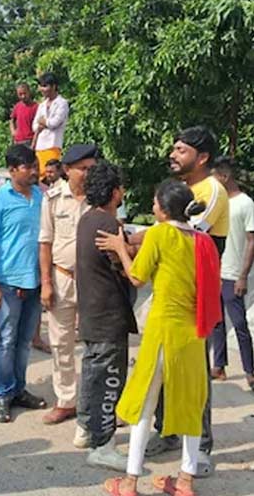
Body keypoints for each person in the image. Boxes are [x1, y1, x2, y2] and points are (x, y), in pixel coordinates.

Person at [96, 180, 219, 496]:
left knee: (144, 405)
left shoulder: (160, 233)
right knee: (192, 405)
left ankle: (129, 482)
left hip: (163, 331)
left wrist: (121, 249)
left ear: (163, 209)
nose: (152, 207)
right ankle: (185, 481)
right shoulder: (202, 241)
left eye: (154, 203)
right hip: (194, 335)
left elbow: (137, 276)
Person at [141, 126, 227, 476]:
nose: (173, 154)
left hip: (197, 297)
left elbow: (184, 234)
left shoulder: (211, 192)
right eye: (173, 148)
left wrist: (133, 244)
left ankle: (201, 446)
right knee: (164, 363)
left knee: (195, 375)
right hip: (170, 294)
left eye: (181, 149)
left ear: (201, 157)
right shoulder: (182, 191)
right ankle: (169, 431)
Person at [0, 143, 48, 423]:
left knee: (24, 342)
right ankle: (3, 395)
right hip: (8, 283)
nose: (34, 171)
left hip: (35, 282)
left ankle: (19, 390)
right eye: (28, 167)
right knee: (6, 341)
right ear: (12, 170)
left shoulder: (41, 198)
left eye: (35, 166)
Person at [75, 161, 137, 471]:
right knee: (109, 380)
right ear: (114, 192)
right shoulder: (110, 226)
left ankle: (88, 429)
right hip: (107, 315)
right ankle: (104, 444)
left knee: (92, 374)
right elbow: (131, 271)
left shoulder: (87, 218)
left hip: (91, 312)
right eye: (121, 187)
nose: (123, 192)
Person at [38, 145, 97, 436]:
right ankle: (66, 400)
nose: (87, 174)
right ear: (67, 169)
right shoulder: (52, 198)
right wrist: (46, 283)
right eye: (82, 168)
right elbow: (44, 243)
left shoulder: (101, 197)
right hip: (61, 278)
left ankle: (93, 401)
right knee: (61, 342)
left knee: (95, 344)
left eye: (91, 168)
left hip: (95, 281)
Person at [211, 156, 254, 390]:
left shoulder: (245, 204)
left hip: (232, 273)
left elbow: (251, 241)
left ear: (225, 177)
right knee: (216, 322)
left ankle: (250, 370)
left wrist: (242, 275)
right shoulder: (218, 203)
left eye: (215, 177)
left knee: (238, 324)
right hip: (215, 272)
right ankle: (219, 366)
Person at [32, 73, 69, 173]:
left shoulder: (62, 103)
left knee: (50, 173)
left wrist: (44, 122)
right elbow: (35, 126)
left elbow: (55, 122)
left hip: (53, 144)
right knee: (39, 173)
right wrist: (44, 124)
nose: (42, 89)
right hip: (40, 146)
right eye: (41, 86)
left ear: (54, 86)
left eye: (45, 86)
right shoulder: (42, 105)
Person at [10, 82, 38, 148]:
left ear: (29, 92)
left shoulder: (36, 107)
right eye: (20, 94)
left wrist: (34, 142)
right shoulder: (17, 106)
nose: (23, 96)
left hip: (30, 140)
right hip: (18, 140)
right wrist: (13, 132)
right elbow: (12, 120)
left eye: (25, 93)